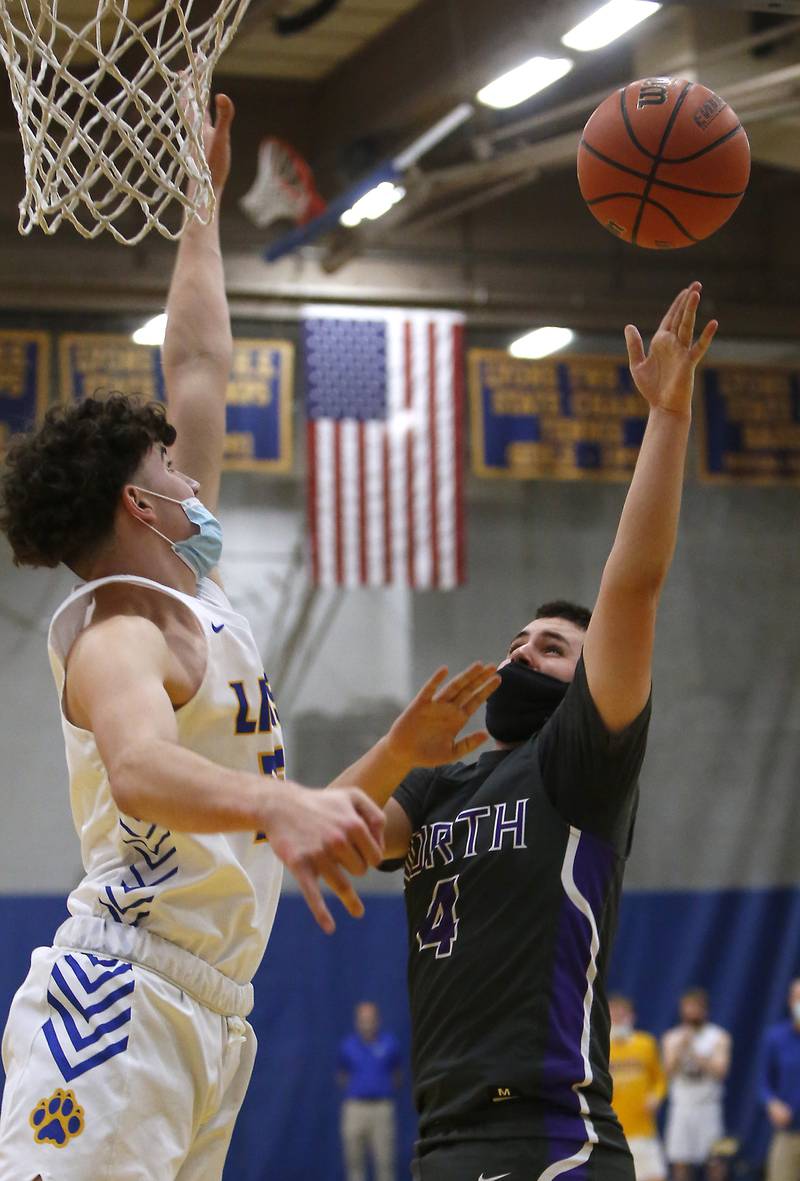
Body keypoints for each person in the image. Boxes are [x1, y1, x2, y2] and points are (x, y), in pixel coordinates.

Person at [0, 97, 498, 1181]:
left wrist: (201, 200)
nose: (191, 474)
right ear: (140, 504)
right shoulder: (116, 633)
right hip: (118, 996)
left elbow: (197, 361)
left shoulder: (203, 600)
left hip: (214, 1015)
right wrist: (281, 802)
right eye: (169, 467)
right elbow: (140, 770)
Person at [328, 283, 719, 1180]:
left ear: (586, 677)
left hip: (551, 1135)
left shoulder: (579, 760)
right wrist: (397, 749)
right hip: (440, 1134)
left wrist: (666, 417)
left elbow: (632, 586)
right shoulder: (435, 785)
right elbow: (321, 837)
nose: (522, 653)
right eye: (516, 641)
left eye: (550, 647)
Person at [662, 988, 731, 1181]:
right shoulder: (672, 1037)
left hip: (708, 1107)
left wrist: (694, 1051)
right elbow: (667, 1071)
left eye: (696, 1007)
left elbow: (721, 1071)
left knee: (715, 1160)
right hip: (681, 1107)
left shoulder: (718, 1036)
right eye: (688, 1007)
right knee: (680, 1161)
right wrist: (680, 1048)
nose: (692, 1012)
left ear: (705, 1010)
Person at [337, 1001, 403, 1181]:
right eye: (363, 1020)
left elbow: (397, 1074)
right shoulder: (348, 1046)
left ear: (377, 1020)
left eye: (370, 1019)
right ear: (357, 1022)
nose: (367, 1024)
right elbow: (342, 1076)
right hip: (355, 1108)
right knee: (354, 1161)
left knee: (385, 1161)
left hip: (382, 1108)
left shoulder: (390, 1044)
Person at [609, 994, 667, 1181]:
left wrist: (656, 1096)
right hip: (611, 1130)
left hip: (643, 1129)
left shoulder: (646, 1043)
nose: (618, 1018)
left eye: (622, 1014)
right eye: (614, 1015)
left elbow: (660, 1079)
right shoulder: (598, 1047)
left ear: (632, 1016)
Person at [760, 978, 800, 1181]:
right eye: (797, 997)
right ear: (789, 1001)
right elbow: (763, 1083)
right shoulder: (775, 1038)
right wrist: (772, 1103)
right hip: (788, 1132)